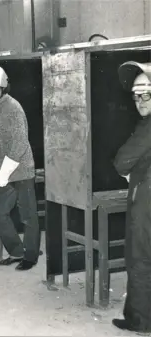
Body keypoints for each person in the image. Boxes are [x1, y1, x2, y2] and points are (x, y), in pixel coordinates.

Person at [0, 66, 40, 271]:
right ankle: (16, 251)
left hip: (21, 169)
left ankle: (30, 256)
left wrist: (5, 171)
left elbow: (20, 142)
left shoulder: (13, 107)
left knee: (28, 217)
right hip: (6, 170)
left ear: (4, 85)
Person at [112, 61, 151, 334]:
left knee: (139, 258)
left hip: (146, 202)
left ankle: (140, 321)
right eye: (136, 95)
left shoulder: (147, 127)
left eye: (147, 94)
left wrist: (132, 171)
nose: (140, 101)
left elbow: (122, 161)